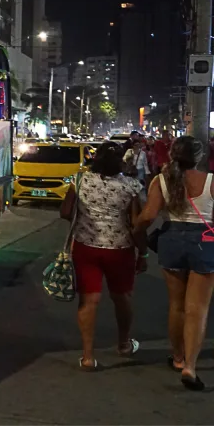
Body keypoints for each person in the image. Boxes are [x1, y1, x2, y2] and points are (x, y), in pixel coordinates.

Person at [136, 135, 214, 391]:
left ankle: (178, 358)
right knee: (197, 309)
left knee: (177, 305)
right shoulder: (211, 181)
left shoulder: (162, 180)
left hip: (171, 240)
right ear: (200, 157)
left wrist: (133, 231)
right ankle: (190, 366)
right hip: (205, 242)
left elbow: (148, 216)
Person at [64, 142, 147, 370]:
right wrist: (144, 253)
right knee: (122, 297)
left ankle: (88, 356)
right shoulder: (131, 186)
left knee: (89, 300)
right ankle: (123, 344)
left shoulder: (80, 181)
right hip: (120, 249)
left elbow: (65, 211)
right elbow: (135, 223)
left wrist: (85, 220)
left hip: (86, 247)